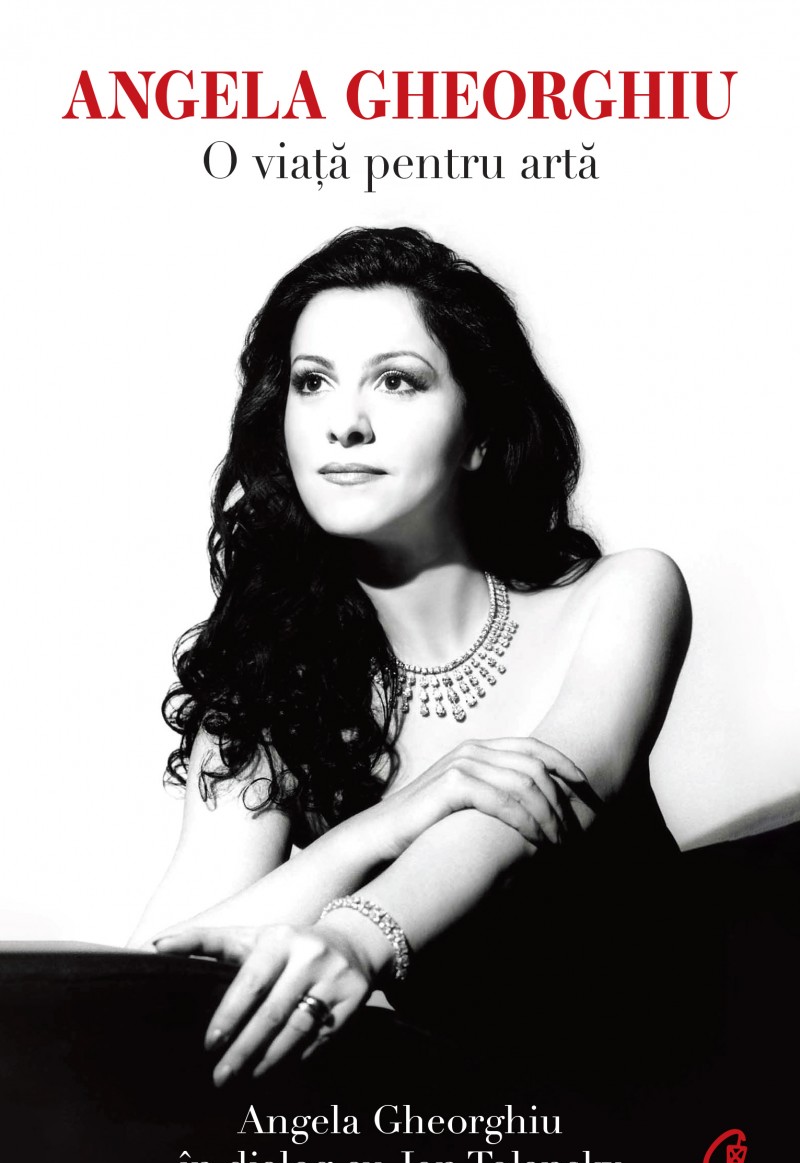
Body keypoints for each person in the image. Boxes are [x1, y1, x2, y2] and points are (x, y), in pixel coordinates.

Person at [130, 226, 691, 1093]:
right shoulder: (266, 696)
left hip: (669, 1115)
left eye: (396, 380)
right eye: (312, 382)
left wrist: (354, 936)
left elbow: (519, 810)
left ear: (480, 434)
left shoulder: (622, 595)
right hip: (451, 1141)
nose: (345, 422)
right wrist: (380, 828)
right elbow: (149, 985)